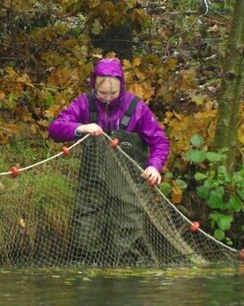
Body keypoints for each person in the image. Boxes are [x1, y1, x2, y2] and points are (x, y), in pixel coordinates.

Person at [48, 58, 170, 265]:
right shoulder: (84, 103)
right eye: (102, 93)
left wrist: (154, 166)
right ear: (94, 86)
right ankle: (88, 271)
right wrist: (80, 128)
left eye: (112, 94)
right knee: (84, 230)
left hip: (129, 185)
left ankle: (123, 275)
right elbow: (55, 128)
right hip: (92, 183)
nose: (107, 98)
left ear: (121, 87)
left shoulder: (136, 108)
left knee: (126, 235)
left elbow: (160, 141)